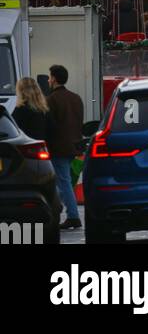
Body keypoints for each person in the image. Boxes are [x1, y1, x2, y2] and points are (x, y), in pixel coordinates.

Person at [47, 64, 84, 230]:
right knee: (64, 181)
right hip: (74, 146)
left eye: (49, 77)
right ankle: (60, 206)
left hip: (58, 147)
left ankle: (73, 215)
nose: (48, 80)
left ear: (54, 79)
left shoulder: (51, 100)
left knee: (64, 182)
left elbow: (50, 126)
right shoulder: (76, 98)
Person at [12, 77, 53, 144]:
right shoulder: (45, 109)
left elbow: (12, 129)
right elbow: (51, 130)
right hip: (44, 146)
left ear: (21, 91)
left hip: (28, 147)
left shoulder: (21, 109)